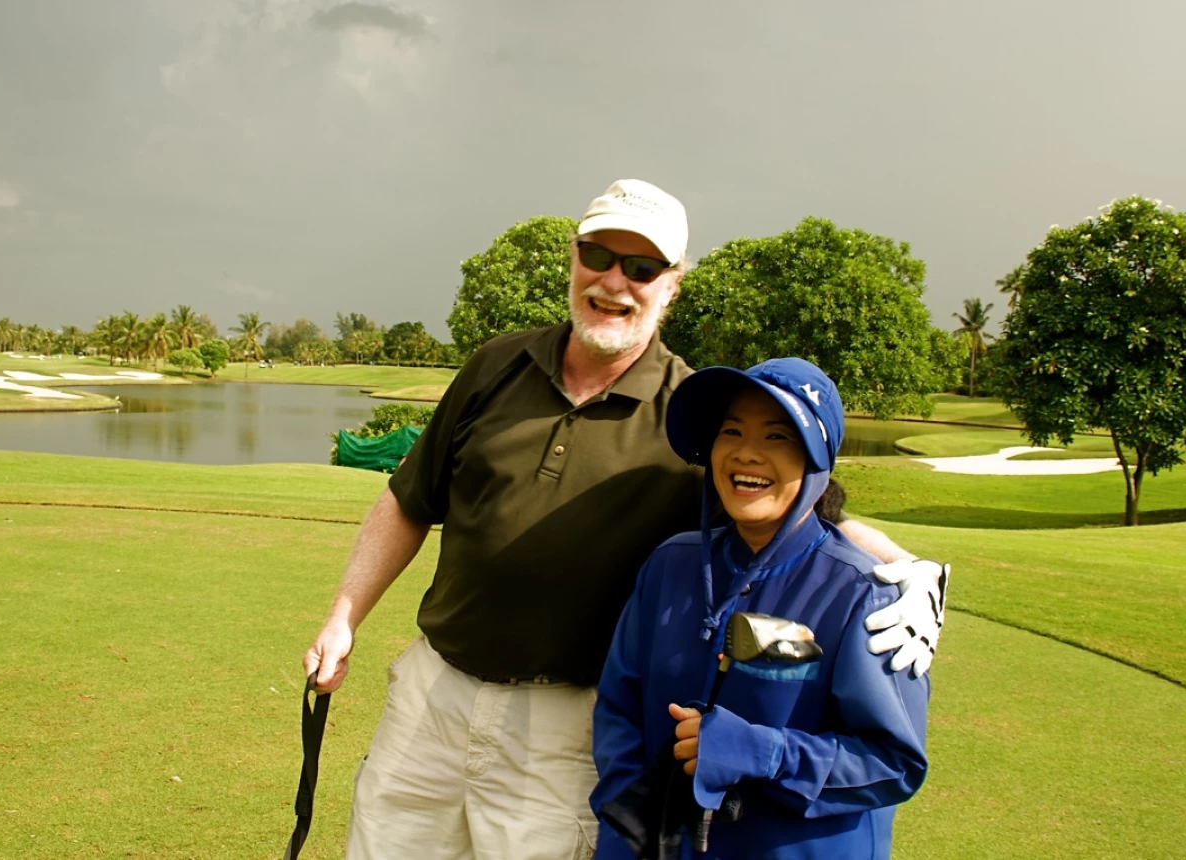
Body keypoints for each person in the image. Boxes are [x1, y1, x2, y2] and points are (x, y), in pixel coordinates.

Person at [303, 179, 947, 859]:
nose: (615, 281)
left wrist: (904, 574)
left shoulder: (690, 417)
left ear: (672, 285)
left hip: (559, 724)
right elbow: (410, 498)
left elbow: (793, 501)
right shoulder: (496, 364)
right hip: (434, 689)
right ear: (574, 258)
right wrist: (345, 616)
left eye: (641, 268)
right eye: (599, 255)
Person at [591, 358, 928, 859]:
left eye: (778, 437)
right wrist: (633, 812)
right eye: (732, 431)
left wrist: (763, 753)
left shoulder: (862, 592)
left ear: (817, 461)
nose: (748, 454)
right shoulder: (669, 565)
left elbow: (891, 763)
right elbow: (619, 709)